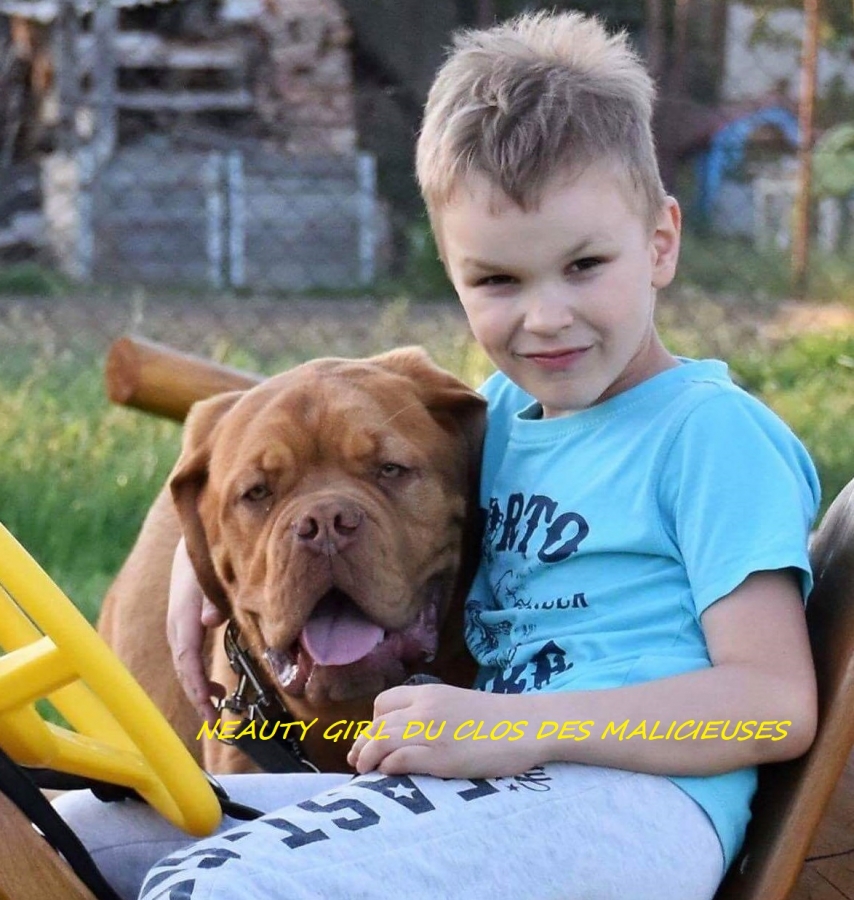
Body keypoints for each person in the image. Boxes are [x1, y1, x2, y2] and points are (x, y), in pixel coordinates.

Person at [55, 11, 820, 900]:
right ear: (453, 277)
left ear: (661, 242)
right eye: (498, 280)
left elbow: (774, 704)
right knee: (63, 833)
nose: (546, 317)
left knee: (219, 889)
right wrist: (209, 550)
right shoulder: (500, 413)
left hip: (633, 807)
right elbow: (327, 427)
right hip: (483, 787)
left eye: (584, 265)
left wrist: (521, 726)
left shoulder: (709, 435)